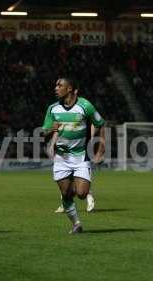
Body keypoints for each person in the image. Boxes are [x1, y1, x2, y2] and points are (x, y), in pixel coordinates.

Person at [42, 77, 105, 234]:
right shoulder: (53, 109)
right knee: (65, 193)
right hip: (61, 157)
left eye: (59, 85)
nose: (56, 88)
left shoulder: (85, 106)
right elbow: (44, 130)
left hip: (81, 156)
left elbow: (101, 124)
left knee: (82, 193)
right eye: (56, 85)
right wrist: (52, 129)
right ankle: (76, 223)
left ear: (69, 89)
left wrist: (100, 151)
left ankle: (79, 186)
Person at [53, 124, 97, 213]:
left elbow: (93, 123)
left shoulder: (83, 112)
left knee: (79, 189)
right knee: (64, 180)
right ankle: (65, 204)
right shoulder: (59, 113)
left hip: (79, 151)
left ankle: (87, 194)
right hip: (64, 151)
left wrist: (91, 138)